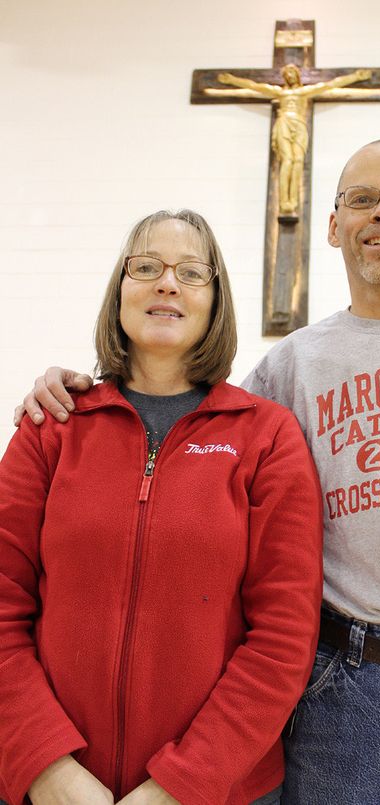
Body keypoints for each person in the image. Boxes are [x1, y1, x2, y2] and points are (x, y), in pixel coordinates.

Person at [13, 140, 380, 804]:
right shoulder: (289, 370)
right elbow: (182, 416)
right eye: (361, 199)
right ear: (333, 226)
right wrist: (66, 386)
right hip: (344, 689)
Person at [0, 209, 323, 805]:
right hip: (51, 788)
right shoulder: (51, 429)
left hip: (220, 791)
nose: (166, 283)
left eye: (191, 272)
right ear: (119, 291)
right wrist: (47, 768)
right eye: (145, 266)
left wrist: (182, 785)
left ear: (215, 299)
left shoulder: (266, 436)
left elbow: (284, 635)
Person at [215, 65, 371, 216]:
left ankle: (293, 200)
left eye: (292, 73)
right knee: (287, 161)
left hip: (299, 125)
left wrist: (356, 77)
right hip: (284, 123)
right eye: (287, 73)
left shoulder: (304, 92)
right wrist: (231, 80)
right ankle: (284, 202)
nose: (289, 76)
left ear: (297, 76)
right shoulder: (279, 92)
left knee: (297, 161)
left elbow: (330, 84)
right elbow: (254, 86)